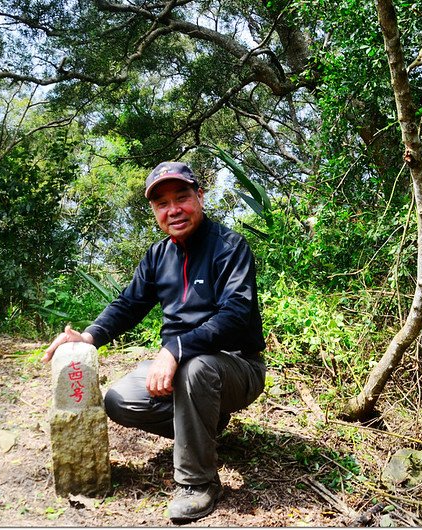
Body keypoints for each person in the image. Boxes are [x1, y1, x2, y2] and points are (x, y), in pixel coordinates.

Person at [43, 161, 266, 522]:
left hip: (236, 366)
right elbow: (128, 305)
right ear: (155, 211)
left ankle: (198, 483)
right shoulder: (157, 256)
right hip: (182, 369)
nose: (173, 209)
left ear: (200, 197)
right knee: (120, 400)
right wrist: (86, 337)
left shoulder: (230, 247)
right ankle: (206, 426)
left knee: (197, 368)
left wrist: (176, 349)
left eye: (182, 197)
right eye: (162, 203)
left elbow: (236, 314)